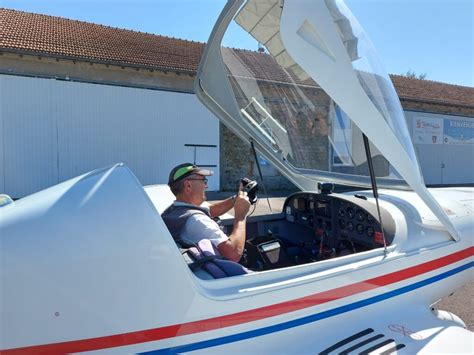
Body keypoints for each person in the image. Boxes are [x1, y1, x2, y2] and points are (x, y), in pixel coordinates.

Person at [162, 163, 251, 262]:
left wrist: (237, 198)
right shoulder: (196, 220)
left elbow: (210, 210)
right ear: (188, 185)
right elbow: (234, 253)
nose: (206, 186)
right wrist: (241, 216)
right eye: (203, 181)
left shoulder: (175, 210)